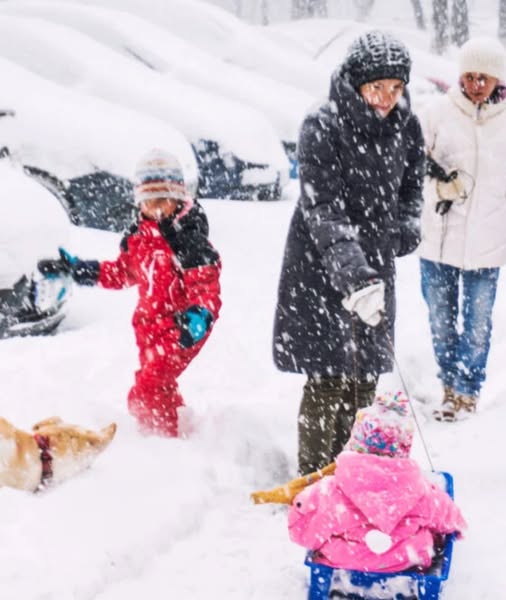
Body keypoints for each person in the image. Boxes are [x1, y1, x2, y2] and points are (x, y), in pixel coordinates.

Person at [272, 30, 425, 475]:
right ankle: (316, 482)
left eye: (396, 88)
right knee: (328, 377)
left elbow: (412, 188)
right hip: (321, 265)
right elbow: (324, 210)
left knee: (364, 379)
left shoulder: (406, 124)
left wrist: (405, 229)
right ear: (355, 82)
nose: (386, 98)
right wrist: (353, 276)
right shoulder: (323, 125)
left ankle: (352, 477)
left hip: (374, 261)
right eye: (377, 87)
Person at [38, 149, 221, 437]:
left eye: (162, 200)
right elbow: (123, 272)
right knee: (161, 386)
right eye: (148, 202)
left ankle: (158, 444)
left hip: (181, 326)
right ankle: (179, 433)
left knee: (146, 391)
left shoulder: (188, 237)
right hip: (149, 329)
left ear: (177, 197)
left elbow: (206, 285)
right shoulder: (139, 236)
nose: (156, 209)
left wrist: (200, 314)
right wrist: (82, 270)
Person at [418, 37, 506, 422]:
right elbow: (411, 167)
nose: (475, 85)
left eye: (483, 78)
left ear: (497, 80)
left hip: (488, 243)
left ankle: (467, 392)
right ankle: (448, 386)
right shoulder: (436, 113)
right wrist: (438, 187)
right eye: (469, 76)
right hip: (438, 239)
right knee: (441, 321)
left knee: (477, 325)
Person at [288, 392, 467, 573]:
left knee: (326, 534)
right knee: (425, 535)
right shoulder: (420, 489)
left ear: (356, 443)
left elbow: (302, 531)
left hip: (345, 559)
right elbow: (450, 518)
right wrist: (452, 531)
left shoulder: (330, 489)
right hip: (405, 559)